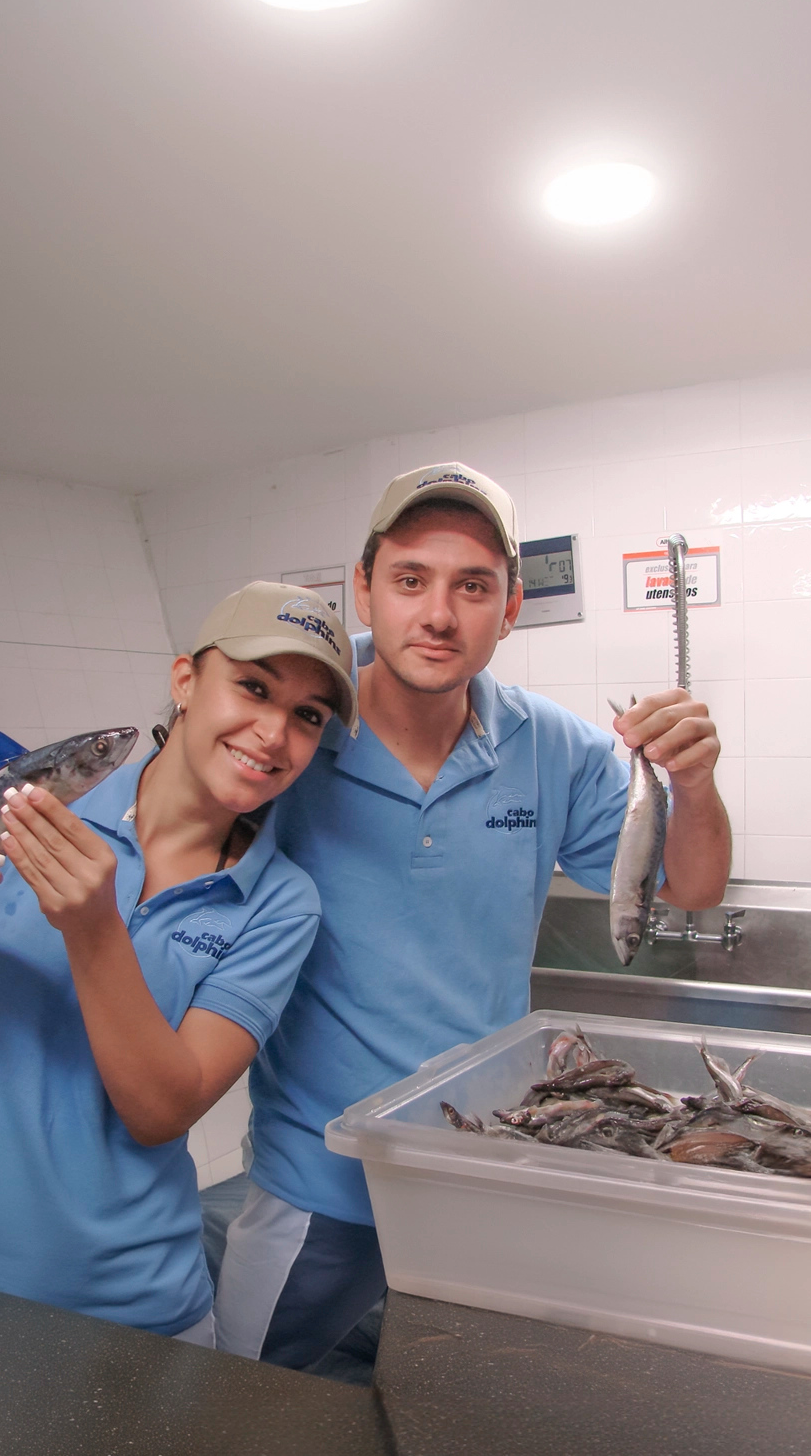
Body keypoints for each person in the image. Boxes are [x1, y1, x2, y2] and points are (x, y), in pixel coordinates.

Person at [214, 463, 730, 1367]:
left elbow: (689, 889)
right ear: (365, 589)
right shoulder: (293, 731)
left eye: (473, 586)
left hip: (481, 1165)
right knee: (255, 1401)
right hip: (318, 1180)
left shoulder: (552, 746)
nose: (439, 613)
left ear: (511, 608)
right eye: (411, 579)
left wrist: (693, 780)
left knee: (464, 1397)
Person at [0, 582, 357, 1344]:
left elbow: (163, 1110)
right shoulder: (41, 801)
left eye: (307, 716)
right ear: (185, 682)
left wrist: (94, 928)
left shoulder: (278, 903)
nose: (272, 732)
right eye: (253, 687)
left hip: (140, 1312)